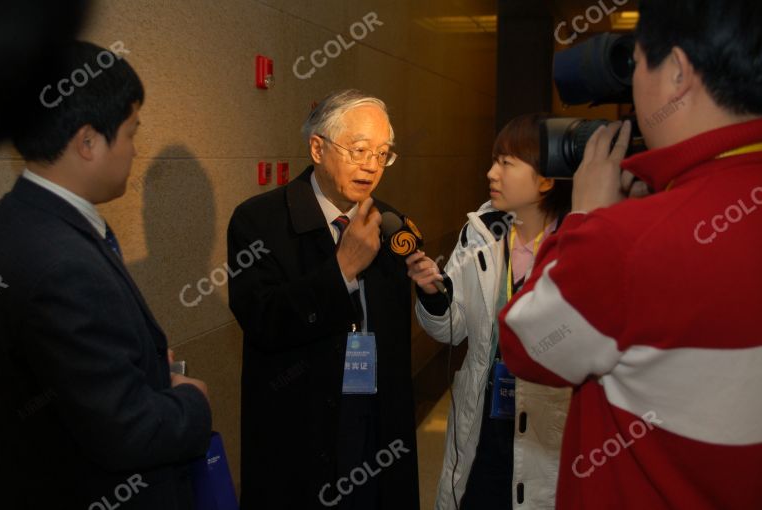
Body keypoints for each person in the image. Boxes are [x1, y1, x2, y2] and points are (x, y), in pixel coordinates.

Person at [498, 1, 762, 509]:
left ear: (679, 71)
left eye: (637, 63)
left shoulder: (621, 243)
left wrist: (587, 219)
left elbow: (523, 345)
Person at [0, 41, 212, 509]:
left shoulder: (19, 220)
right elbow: (126, 430)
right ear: (88, 141)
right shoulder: (62, 263)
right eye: (131, 133)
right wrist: (192, 400)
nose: (135, 150)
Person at [227, 89, 419, 510]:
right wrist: (342, 270)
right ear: (318, 147)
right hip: (301, 425)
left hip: (375, 413)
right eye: (359, 150)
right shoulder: (258, 220)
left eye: (382, 153)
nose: (371, 165)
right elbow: (264, 320)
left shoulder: (388, 221)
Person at [407, 113, 573, 509]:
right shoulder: (482, 232)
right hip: (483, 416)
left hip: (548, 428)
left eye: (506, 163)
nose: (491, 173)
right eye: (494, 160)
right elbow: (452, 328)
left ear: (546, 180)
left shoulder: (579, 243)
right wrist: (434, 294)